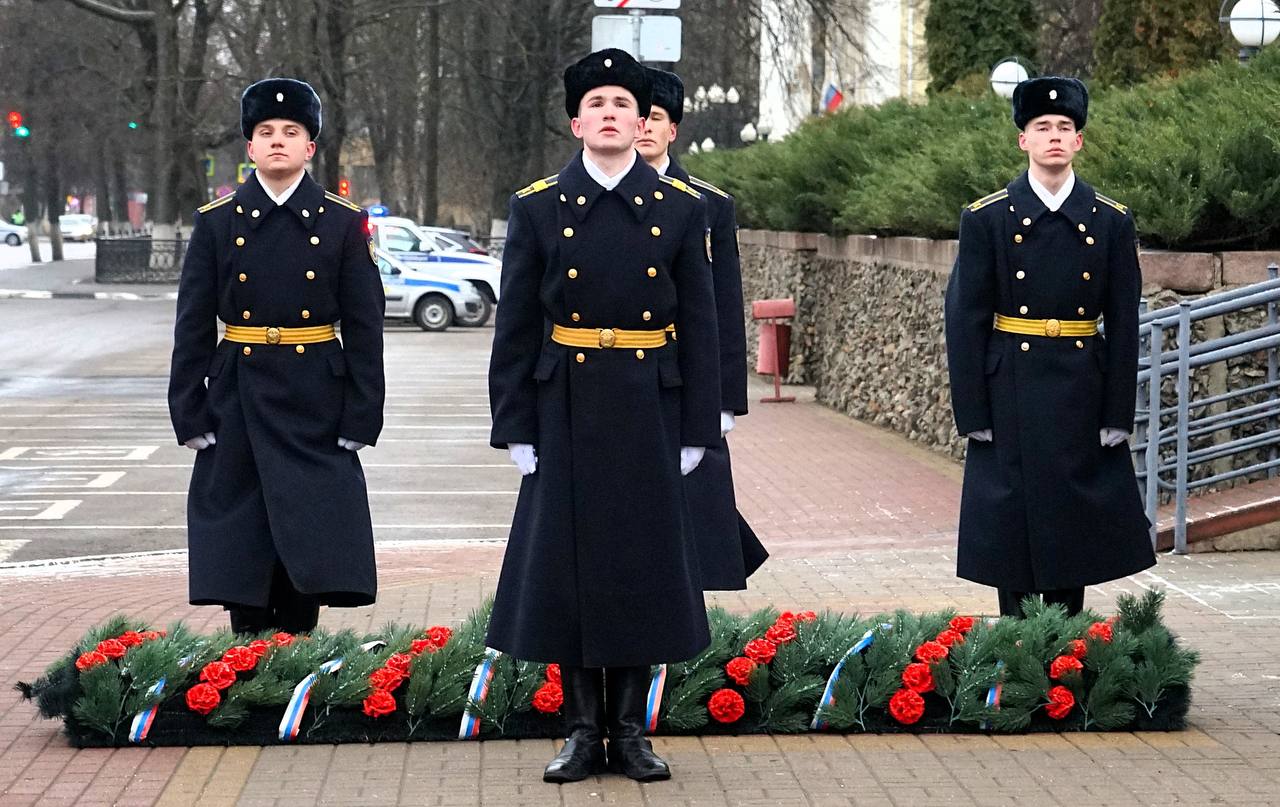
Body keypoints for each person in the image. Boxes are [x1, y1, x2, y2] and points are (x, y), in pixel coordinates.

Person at [487, 48, 720, 783]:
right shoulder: (536, 206)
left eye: (626, 105)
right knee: (569, 568)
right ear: (575, 120)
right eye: (598, 105)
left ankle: (632, 730)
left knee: (642, 567)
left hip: (651, 401)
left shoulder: (684, 209)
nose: (612, 115)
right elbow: (516, 326)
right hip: (566, 405)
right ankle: (583, 732)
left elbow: (705, 326)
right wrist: (515, 425)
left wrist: (698, 428)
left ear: (644, 120)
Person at [168, 77, 385, 635]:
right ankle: (245, 657)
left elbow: (365, 326)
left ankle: (296, 653)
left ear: (311, 147)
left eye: (292, 132)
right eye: (266, 132)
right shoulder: (218, 223)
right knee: (241, 531)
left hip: (315, 391)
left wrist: (363, 413)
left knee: (309, 528)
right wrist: (187, 412)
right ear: (249, 148)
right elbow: (192, 324)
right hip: (237, 390)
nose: (278, 141)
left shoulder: (342, 222)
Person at [944, 76, 1155, 619]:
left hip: (1081, 388)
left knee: (1075, 529)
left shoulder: (1110, 220)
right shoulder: (986, 218)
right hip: (1010, 386)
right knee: (1011, 527)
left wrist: (1118, 412)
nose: (1055, 137)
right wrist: (971, 410)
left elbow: (1124, 321)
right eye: (1043, 127)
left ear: (1079, 140)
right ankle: (1017, 654)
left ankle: (1066, 657)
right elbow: (964, 318)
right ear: (1023, 141)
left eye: (1066, 127)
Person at [635, 67, 768, 591]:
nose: (644, 127)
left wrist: (726, 401)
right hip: (622, 368)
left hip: (688, 375)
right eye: (638, 117)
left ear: (674, 130)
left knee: (696, 514)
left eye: (657, 119)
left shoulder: (710, 204)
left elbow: (722, 307)